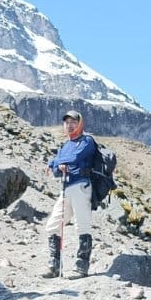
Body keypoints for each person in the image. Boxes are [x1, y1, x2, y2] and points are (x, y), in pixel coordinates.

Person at [43, 109, 96, 278]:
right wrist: (57, 166)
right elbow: (57, 171)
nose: (70, 125)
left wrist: (53, 162)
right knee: (53, 225)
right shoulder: (64, 146)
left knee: (82, 225)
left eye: (73, 122)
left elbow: (74, 158)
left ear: (80, 124)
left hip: (81, 186)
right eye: (67, 122)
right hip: (66, 188)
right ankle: (54, 266)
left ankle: (81, 268)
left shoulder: (87, 141)